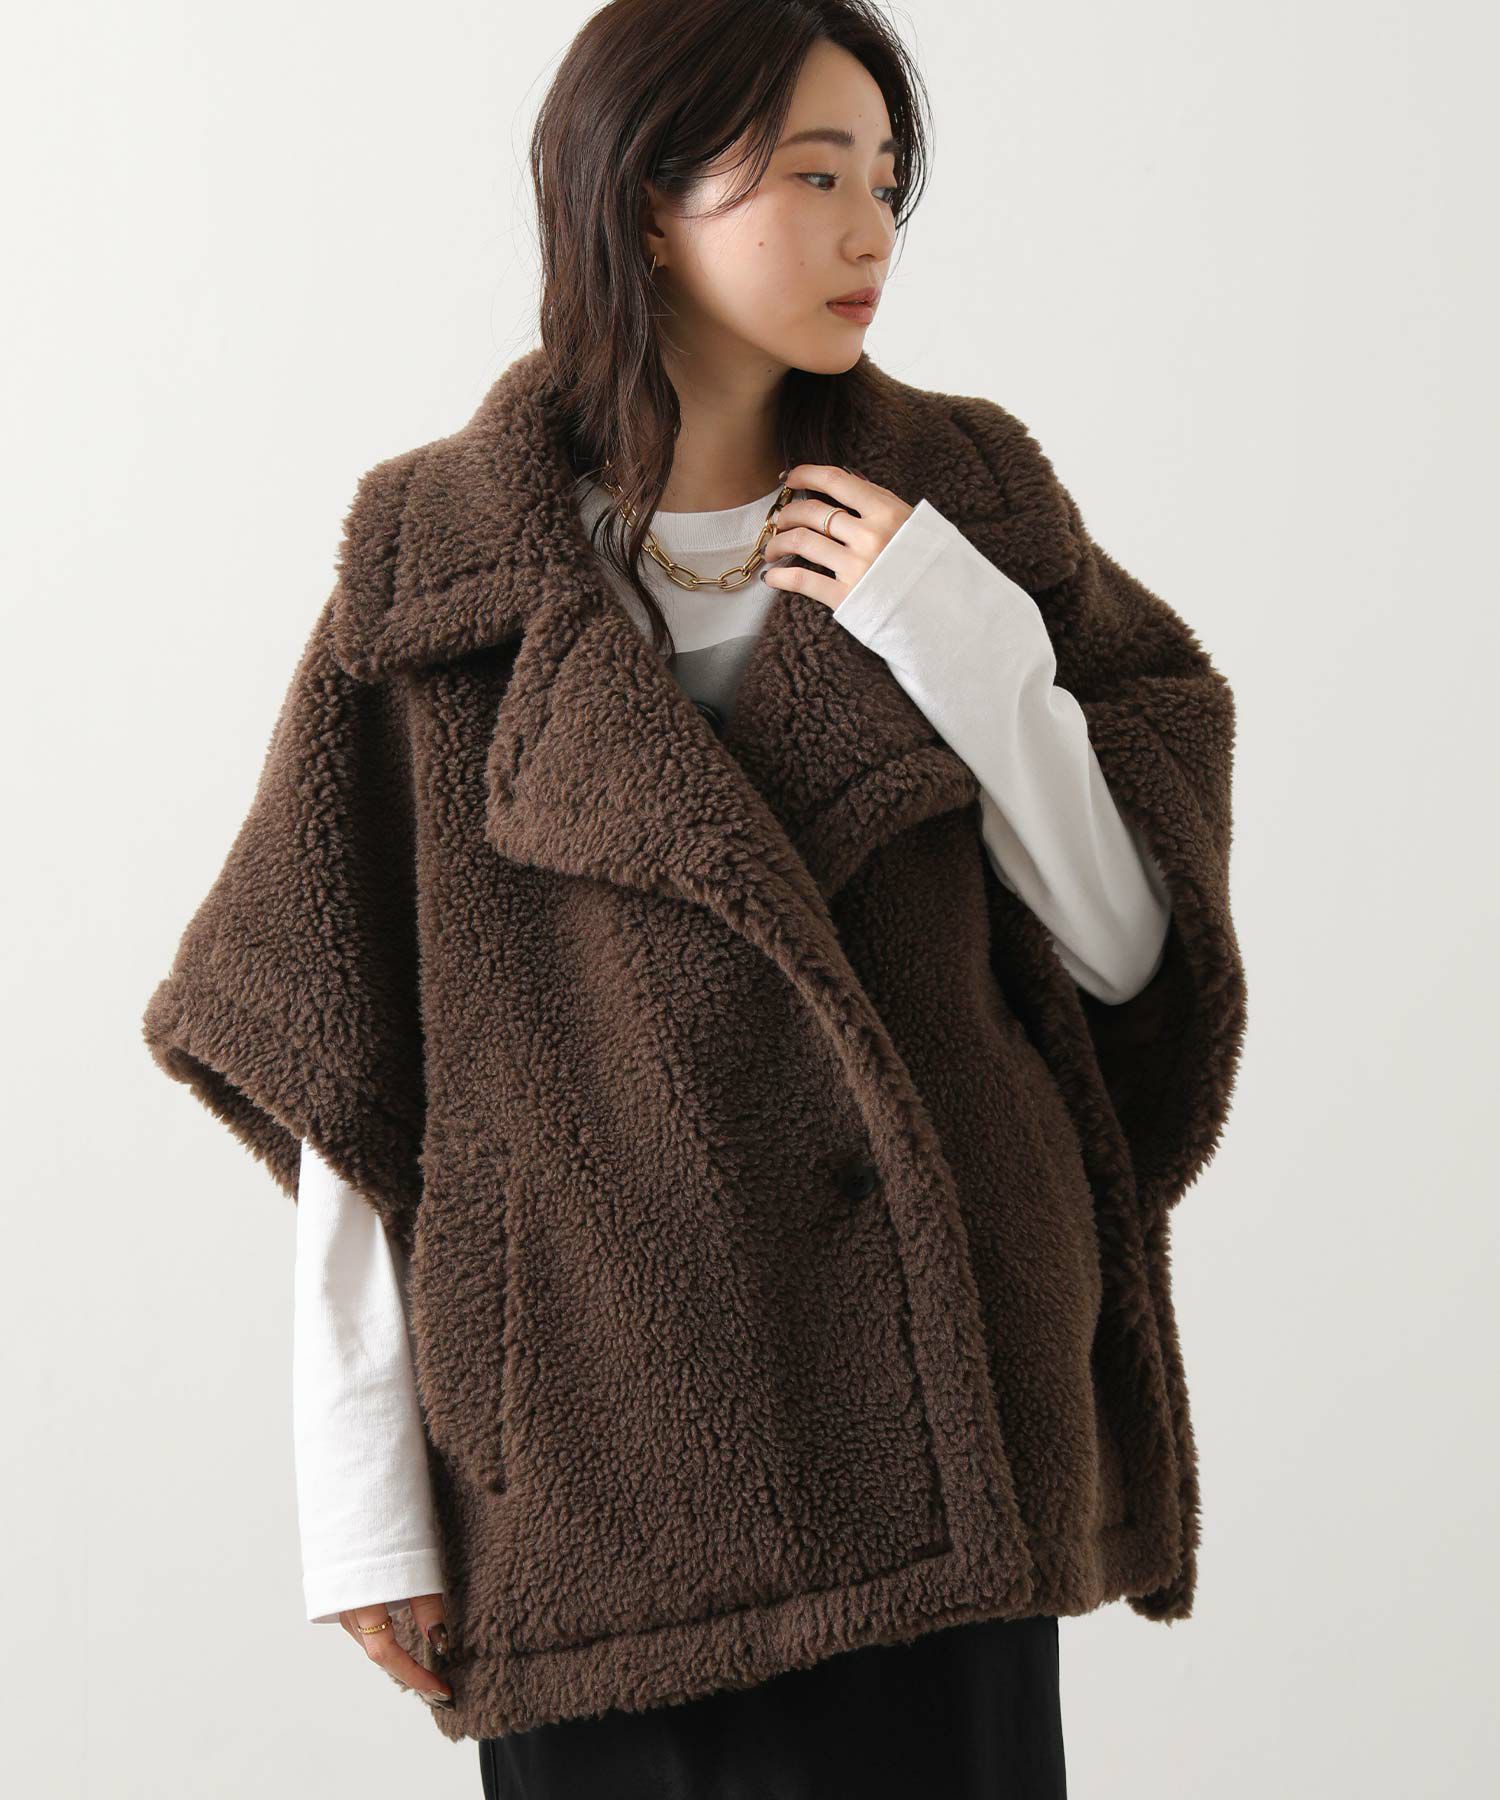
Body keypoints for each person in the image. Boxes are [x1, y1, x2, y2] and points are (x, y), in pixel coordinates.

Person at [143, 3, 1247, 1793]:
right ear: (647, 201)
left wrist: (980, 663)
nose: (871, 231)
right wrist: (364, 1506)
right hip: (595, 1460)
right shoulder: (438, 559)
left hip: (937, 1435)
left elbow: (1130, 960)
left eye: (885, 182)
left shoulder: (963, 504)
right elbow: (348, 1050)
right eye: (814, 178)